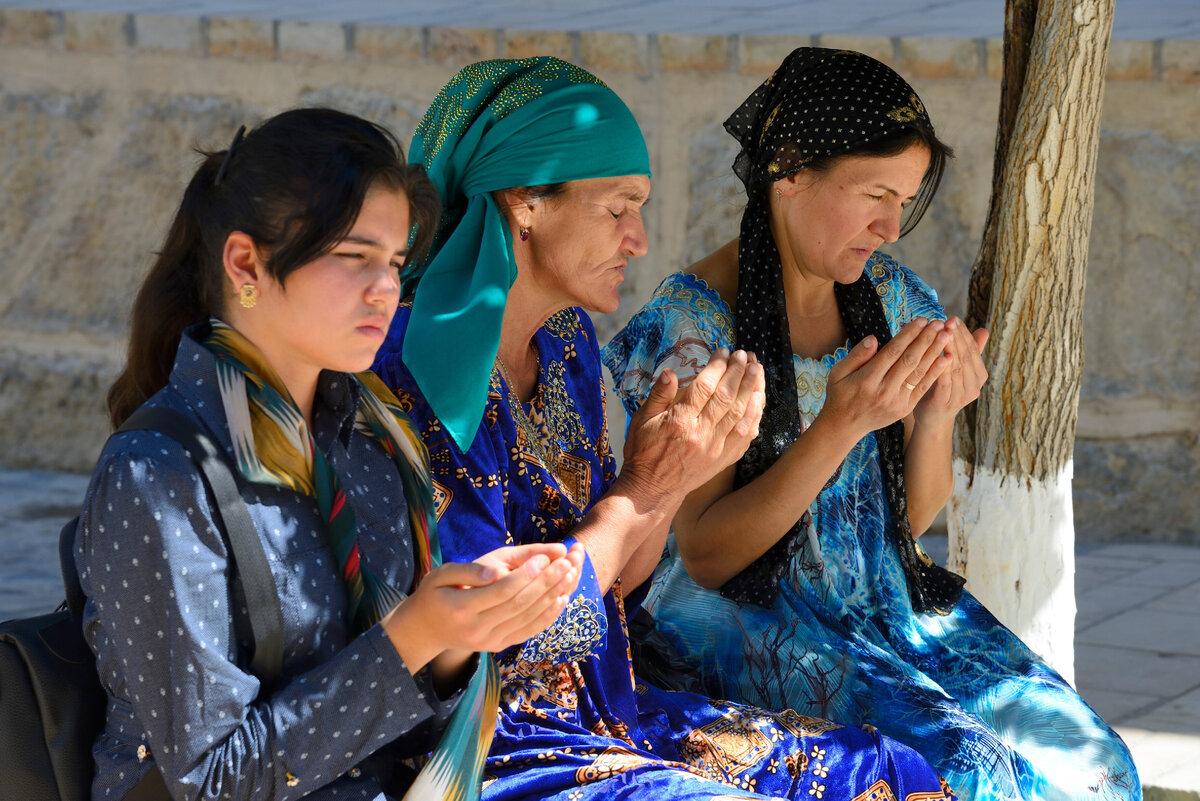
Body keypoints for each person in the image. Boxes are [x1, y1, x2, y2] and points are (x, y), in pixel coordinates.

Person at [374, 56, 957, 801]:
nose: (639, 239)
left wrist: (671, 477)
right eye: (618, 207)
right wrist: (646, 487)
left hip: (602, 708)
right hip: (484, 740)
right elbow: (495, 636)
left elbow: (624, 584)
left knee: (889, 771)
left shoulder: (566, 344)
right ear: (525, 202)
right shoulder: (417, 360)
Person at [602, 47, 1139, 801]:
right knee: (971, 770)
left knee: (1099, 765)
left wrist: (939, 411)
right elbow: (709, 555)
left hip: (887, 611)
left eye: (905, 199)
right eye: (875, 195)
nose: (891, 225)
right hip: (747, 625)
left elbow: (904, 522)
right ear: (789, 168)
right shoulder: (691, 329)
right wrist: (839, 424)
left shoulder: (886, 296)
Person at [78, 107, 585, 801]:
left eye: (396, 263)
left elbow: (393, 732)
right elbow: (210, 780)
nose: (385, 289)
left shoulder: (372, 439)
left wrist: (459, 634)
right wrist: (413, 634)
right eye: (354, 257)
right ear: (245, 263)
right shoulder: (159, 473)